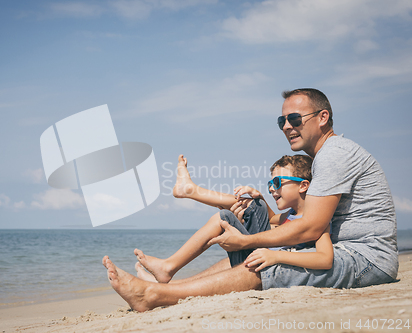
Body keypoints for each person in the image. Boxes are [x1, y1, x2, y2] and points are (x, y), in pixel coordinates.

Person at [102, 88, 398, 312]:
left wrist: (246, 243)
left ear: (322, 118)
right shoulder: (325, 157)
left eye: (294, 118)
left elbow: (311, 228)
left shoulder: (334, 154)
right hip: (340, 247)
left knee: (267, 263)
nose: (286, 126)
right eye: (281, 120)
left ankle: (154, 295)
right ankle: (170, 280)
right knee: (250, 214)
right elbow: (299, 221)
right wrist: (262, 211)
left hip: (367, 259)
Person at [133, 154, 333, 285]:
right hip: (259, 260)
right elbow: (270, 218)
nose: (272, 188)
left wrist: (276, 256)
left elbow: (325, 259)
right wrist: (259, 197)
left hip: (264, 271)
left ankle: (168, 266)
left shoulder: (316, 220)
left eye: (278, 182)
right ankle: (190, 191)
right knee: (254, 204)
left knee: (225, 217)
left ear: (303, 185)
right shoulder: (289, 216)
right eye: (270, 183)